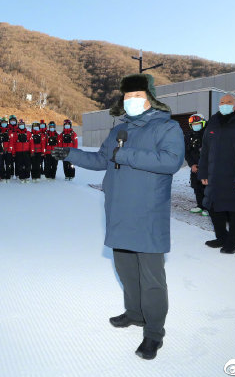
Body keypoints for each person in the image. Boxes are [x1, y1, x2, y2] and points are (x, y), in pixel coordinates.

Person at [52, 73, 184, 360]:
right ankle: (135, 314)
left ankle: (154, 333)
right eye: (127, 97)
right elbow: (101, 159)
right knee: (125, 269)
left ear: (150, 98)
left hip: (147, 213)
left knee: (151, 278)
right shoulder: (118, 129)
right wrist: (70, 154)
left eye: (137, 96)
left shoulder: (167, 127)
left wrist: (124, 155)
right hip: (118, 210)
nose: (131, 102)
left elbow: (171, 162)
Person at [197, 94, 235, 254]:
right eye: (222, 102)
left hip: (234, 176)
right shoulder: (212, 124)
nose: (224, 105)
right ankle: (221, 237)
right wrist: (203, 172)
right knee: (214, 208)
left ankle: (233, 243)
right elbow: (205, 151)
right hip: (214, 175)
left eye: (228, 102)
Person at [185, 114, 208, 216]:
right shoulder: (189, 136)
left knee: (207, 188)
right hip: (195, 167)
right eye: (193, 124)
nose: (195, 125)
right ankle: (200, 206)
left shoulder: (209, 134)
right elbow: (187, 152)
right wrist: (192, 164)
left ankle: (208, 208)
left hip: (207, 167)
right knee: (197, 187)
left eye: (197, 124)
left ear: (203, 123)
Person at [0, 118, 14, 182]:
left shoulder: (9, 131)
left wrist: (10, 150)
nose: (4, 124)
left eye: (5, 122)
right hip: (1, 150)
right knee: (1, 164)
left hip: (8, 151)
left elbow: (11, 141)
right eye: (3, 122)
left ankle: (8, 176)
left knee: (8, 164)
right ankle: (2, 175)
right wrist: (0, 150)